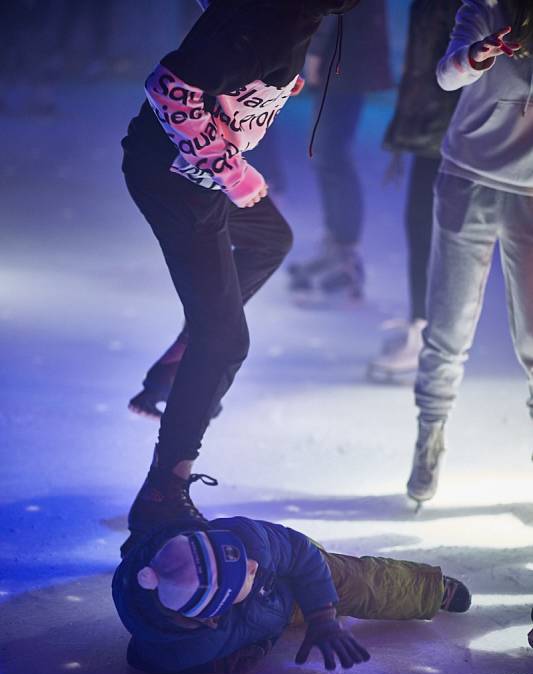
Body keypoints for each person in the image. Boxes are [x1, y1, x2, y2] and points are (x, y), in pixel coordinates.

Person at [120, 0, 364, 551]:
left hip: (197, 177)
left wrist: (267, 93)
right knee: (226, 339)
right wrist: (229, 169)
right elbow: (169, 88)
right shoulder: (269, 18)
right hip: (177, 182)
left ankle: (186, 353)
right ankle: (163, 490)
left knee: (269, 240)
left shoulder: (290, 17)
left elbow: (223, 46)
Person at [406, 0, 533, 506]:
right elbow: (447, 73)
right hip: (468, 176)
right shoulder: (487, 7)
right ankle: (429, 437)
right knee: (449, 326)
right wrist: (479, 55)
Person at [112, 516, 471, 674]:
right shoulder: (185, 646)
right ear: (211, 616)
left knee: (356, 582)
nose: (250, 565)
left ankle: (430, 590)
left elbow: (301, 554)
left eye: (241, 558)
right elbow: (145, 659)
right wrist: (219, 662)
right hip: (273, 615)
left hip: (296, 569)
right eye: (241, 575)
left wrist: (322, 615)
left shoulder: (249, 542)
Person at [367, 0, 461, 383]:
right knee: (422, 225)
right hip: (431, 127)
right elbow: (421, 64)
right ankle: (424, 325)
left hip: (455, 128)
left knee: (437, 231)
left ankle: (431, 335)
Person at [287, 3, 392, 307]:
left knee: (330, 152)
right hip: (348, 52)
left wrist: (317, 50)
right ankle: (338, 248)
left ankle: (345, 254)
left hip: (345, 54)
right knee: (328, 152)